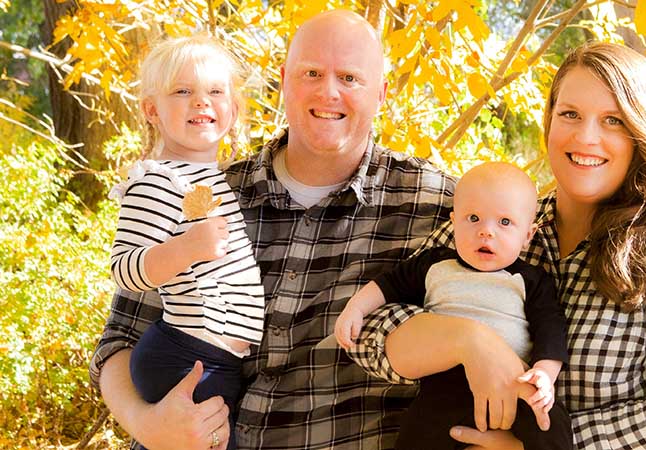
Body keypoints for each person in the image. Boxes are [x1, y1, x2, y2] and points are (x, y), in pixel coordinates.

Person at [91, 10, 457, 450]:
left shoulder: (435, 204)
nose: (329, 91)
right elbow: (121, 337)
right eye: (312, 73)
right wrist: (146, 423)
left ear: (381, 93)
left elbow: (502, 315)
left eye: (350, 78)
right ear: (284, 79)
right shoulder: (205, 192)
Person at [350, 41, 646, 450]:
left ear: (644, 133)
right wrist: (468, 340)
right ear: (549, 122)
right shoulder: (498, 224)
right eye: (570, 114)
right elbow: (369, 331)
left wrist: (533, 447)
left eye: (613, 120)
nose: (586, 136)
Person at [334, 161, 573, 450]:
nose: (486, 232)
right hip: (444, 385)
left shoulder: (530, 280)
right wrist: (356, 308)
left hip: (512, 383)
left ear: (527, 236)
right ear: (454, 221)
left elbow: (551, 328)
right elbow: (389, 285)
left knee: (551, 424)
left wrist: (544, 375)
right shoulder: (434, 264)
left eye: (505, 222)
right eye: (473, 218)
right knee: (415, 436)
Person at [106, 34, 263, 450]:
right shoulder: (157, 180)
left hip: (218, 361)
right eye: (183, 91)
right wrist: (185, 249)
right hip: (186, 357)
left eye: (215, 90)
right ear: (152, 110)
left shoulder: (207, 181)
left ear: (233, 106)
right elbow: (124, 268)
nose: (201, 101)